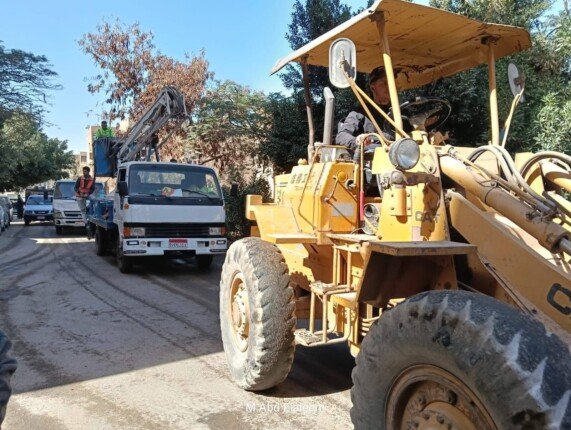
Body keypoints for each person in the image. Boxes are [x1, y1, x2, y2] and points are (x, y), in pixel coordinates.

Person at [336, 66, 393, 152]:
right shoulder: (360, 113)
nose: (389, 87)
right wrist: (357, 140)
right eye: (384, 83)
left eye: (391, 83)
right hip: (374, 158)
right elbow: (341, 136)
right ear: (373, 87)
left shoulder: (398, 113)